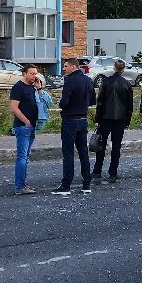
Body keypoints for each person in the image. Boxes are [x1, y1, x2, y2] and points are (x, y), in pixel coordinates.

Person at [53, 56, 95, 195]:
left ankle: (66, 185)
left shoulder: (70, 81)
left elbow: (64, 102)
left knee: (68, 153)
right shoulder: (88, 80)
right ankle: (86, 184)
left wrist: (62, 105)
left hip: (70, 120)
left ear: (73, 66)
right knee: (83, 152)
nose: (64, 69)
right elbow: (92, 100)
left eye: (65, 66)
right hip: (83, 119)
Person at [92, 59, 133, 183]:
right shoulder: (127, 84)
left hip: (105, 117)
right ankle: (113, 172)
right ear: (123, 69)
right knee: (116, 146)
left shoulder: (106, 82)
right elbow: (129, 105)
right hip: (120, 118)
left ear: (114, 68)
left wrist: (97, 118)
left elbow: (100, 102)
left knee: (101, 144)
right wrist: (127, 121)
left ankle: (97, 170)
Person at [9, 64, 41, 195]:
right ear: (24, 74)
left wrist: (39, 88)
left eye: (35, 74)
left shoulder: (32, 88)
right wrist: (26, 121)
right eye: (32, 74)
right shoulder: (18, 87)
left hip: (32, 126)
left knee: (26, 157)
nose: (34, 76)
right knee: (22, 157)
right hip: (23, 127)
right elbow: (14, 108)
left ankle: (22, 183)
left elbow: (43, 102)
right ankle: (20, 186)